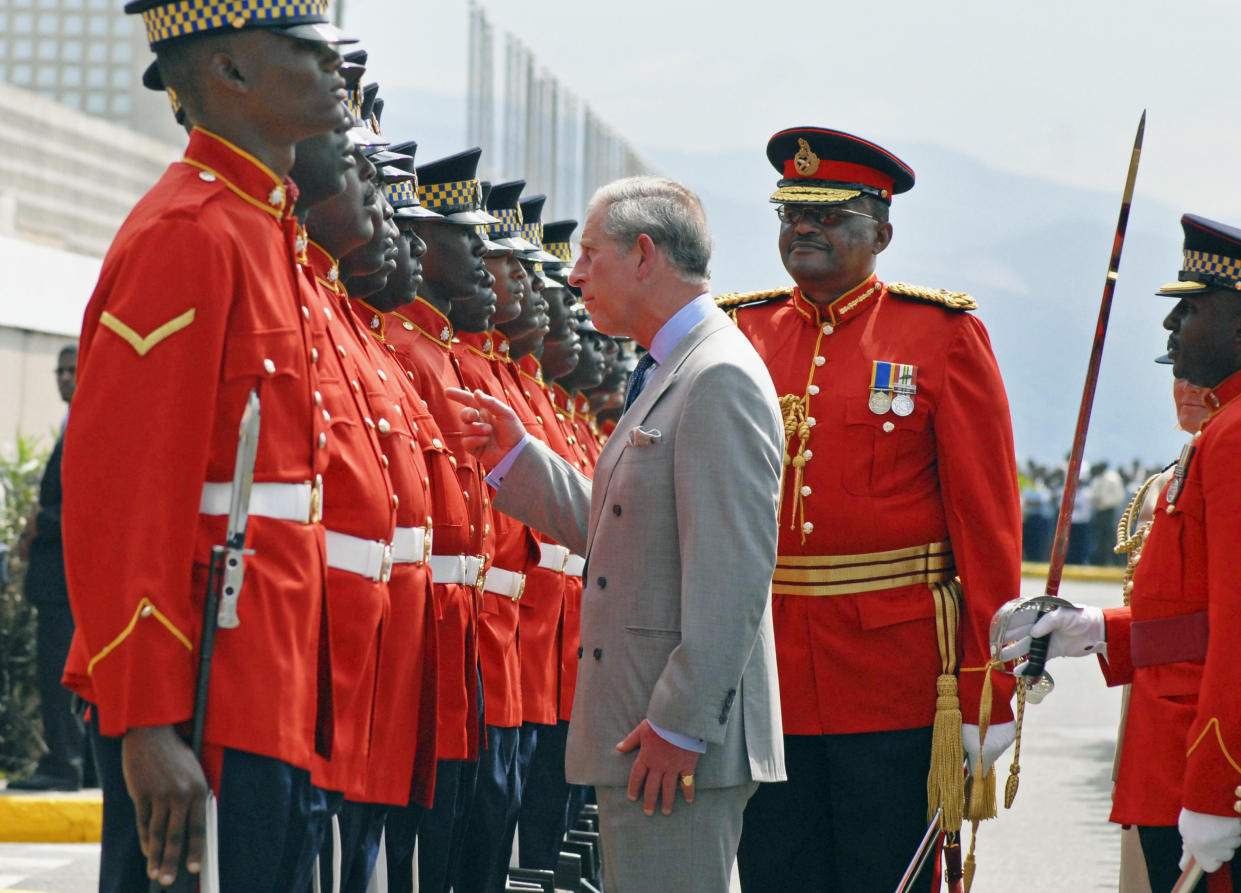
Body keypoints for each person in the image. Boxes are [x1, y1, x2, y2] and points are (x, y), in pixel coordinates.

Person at [59, 4, 352, 889]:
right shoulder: (189, 234)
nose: (329, 67)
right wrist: (146, 719)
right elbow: (124, 491)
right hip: (202, 688)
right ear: (227, 72)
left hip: (270, 675)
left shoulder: (266, 230)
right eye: (305, 50)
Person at [450, 175, 786, 893]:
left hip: (669, 742)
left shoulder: (716, 376)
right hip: (648, 731)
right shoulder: (674, 368)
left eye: (588, 253)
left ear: (642, 255)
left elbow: (732, 575)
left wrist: (680, 724)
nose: (572, 275)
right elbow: (627, 528)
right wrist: (516, 459)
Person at [723, 126, 1021, 893]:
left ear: (881, 232)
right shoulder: (738, 333)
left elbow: (985, 527)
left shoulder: (941, 335)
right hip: (765, 671)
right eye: (790, 213)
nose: (802, 228)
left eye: (827, 215)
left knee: (882, 875)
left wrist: (990, 683)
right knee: (774, 873)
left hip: (895, 676)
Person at [999, 214, 1241, 891]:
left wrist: (1218, 787)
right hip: (1174, 757)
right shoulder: (1220, 428)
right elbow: (1196, 618)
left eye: (1188, 309)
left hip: (1202, 758)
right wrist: (1099, 632)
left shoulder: (1232, 436)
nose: (1168, 329)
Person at [11, 344, 88, 792]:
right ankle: (72, 760)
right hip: (55, 579)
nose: (63, 378)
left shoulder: (86, 422)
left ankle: (65, 764)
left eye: (70, 370)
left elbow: (88, 504)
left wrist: (40, 521)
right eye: (58, 371)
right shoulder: (69, 421)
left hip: (64, 580)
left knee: (58, 674)